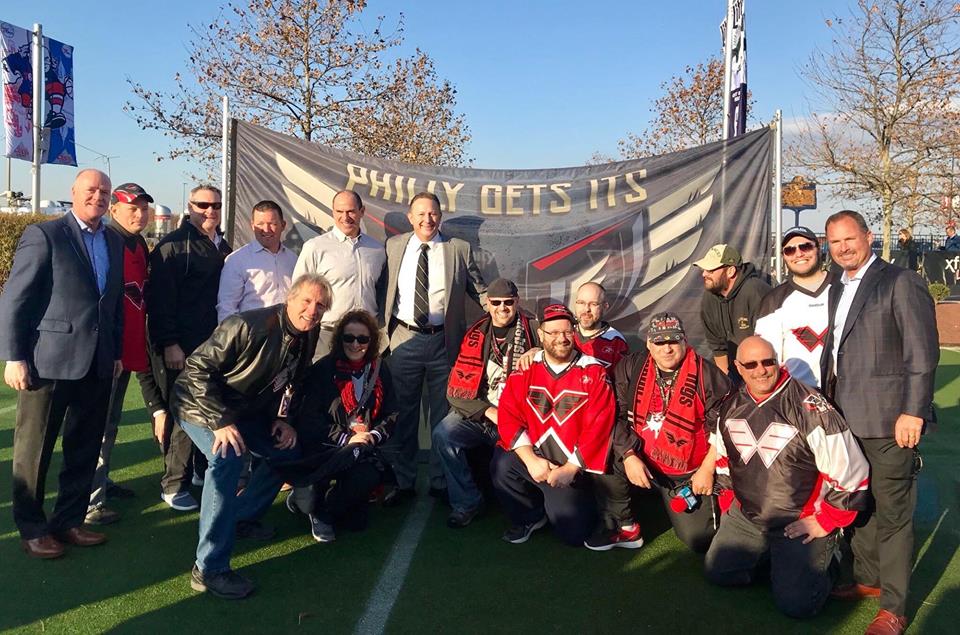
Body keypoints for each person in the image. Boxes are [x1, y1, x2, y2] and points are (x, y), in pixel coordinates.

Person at [821, 210, 939, 635]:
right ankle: (867, 580)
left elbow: (922, 353)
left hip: (891, 421)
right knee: (861, 505)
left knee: (894, 515)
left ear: (868, 237)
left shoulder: (900, 281)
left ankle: (894, 607)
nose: (843, 248)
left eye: (849, 239)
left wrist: (914, 411)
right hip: (847, 419)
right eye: (834, 242)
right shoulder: (837, 286)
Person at [175, 273, 327, 599]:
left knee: (286, 450)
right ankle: (209, 568)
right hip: (199, 406)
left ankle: (242, 518)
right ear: (290, 298)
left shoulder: (307, 335)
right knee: (226, 457)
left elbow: (293, 382)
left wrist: (283, 420)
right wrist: (220, 421)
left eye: (320, 306)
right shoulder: (246, 325)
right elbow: (195, 370)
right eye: (307, 301)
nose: (312, 310)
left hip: (246, 413)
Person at [0, 169, 124, 559]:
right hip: (47, 364)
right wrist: (13, 356)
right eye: (91, 190)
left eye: (104, 191)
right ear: (73, 193)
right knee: (34, 450)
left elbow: (113, 304)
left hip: (98, 363)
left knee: (84, 446)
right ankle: (32, 528)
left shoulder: (114, 241)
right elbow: (15, 299)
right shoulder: (46, 235)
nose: (98, 196)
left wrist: (115, 352)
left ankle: (69, 521)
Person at [705, 336, 870, 619]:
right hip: (748, 514)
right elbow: (723, 460)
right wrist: (730, 501)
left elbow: (852, 471)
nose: (761, 370)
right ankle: (778, 559)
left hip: (799, 519)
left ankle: (830, 556)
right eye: (751, 364)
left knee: (798, 605)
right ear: (738, 367)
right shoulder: (730, 406)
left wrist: (825, 520)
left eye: (768, 361)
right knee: (719, 571)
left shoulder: (811, 407)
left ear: (778, 361)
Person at [379, 191, 487, 505]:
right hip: (403, 340)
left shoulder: (459, 249)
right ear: (410, 218)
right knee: (403, 414)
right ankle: (404, 481)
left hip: (445, 341)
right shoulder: (393, 247)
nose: (428, 219)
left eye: (433, 214)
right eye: (421, 214)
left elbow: (478, 290)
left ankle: (440, 482)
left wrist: (502, 311)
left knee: (443, 416)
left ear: (440, 216)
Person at [591, 312, 731, 552]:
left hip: (687, 469)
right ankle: (625, 525)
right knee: (602, 449)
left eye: (673, 341)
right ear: (648, 343)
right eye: (659, 342)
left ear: (684, 341)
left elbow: (724, 430)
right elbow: (617, 415)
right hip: (644, 456)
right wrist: (629, 455)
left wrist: (707, 470)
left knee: (699, 540)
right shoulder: (631, 366)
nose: (667, 349)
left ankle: (699, 501)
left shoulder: (708, 375)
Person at [492, 304, 615, 546]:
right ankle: (530, 516)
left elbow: (600, 424)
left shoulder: (593, 371)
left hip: (570, 467)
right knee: (502, 465)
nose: (561, 338)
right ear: (541, 334)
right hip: (537, 458)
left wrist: (570, 469)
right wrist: (530, 460)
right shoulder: (526, 368)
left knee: (574, 535)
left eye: (567, 332)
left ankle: (569, 504)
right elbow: (507, 414)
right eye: (553, 332)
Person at [147, 184, 232, 512]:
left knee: (209, 409)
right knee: (184, 414)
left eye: (216, 206)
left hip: (214, 347)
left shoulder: (221, 245)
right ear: (190, 206)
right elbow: (161, 302)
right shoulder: (172, 247)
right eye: (203, 205)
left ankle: (197, 471)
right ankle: (173, 483)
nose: (210, 211)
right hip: (182, 347)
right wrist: (170, 343)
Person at [281, 310, 398, 543]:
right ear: (339, 339)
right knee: (308, 502)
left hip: (360, 448)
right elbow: (310, 420)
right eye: (349, 338)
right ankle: (307, 502)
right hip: (324, 448)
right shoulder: (323, 370)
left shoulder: (379, 368)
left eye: (363, 339)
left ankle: (326, 510)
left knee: (358, 515)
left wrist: (372, 436)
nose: (355, 344)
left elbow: (391, 414)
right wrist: (346, 438)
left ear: (371, 341)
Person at [434, 278, 539, 528]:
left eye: (508, 302)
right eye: (496, 302)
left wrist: (540, 352)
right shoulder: (475, 334)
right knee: (442, 434)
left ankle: (530, 506)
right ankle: (467, 502)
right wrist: (489, 412)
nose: (502, 307)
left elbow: (564, 352)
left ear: (517, 302)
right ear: (487, 305)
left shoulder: (535, 330)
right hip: (483, 414)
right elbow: (455, 392)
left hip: (521, 417)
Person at [86, 183, 154, 525]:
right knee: (96, 425)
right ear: (114, 210)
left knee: (110, 422)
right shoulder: (105, 241)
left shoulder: (137, 242)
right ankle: (89, 501)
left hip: (125, 350)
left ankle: (101, 482)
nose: (138, 213)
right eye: (131, 207)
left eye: (143, 207)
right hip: (103, 352)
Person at [293, 190, 386, 356]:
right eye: (339, 212)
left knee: (363, 382)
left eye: (350, 211)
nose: (345, 217)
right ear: (333, 212)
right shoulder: (315, 247)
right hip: (327, 335)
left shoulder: (377, 249)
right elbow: (298, 293)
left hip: (365, 337)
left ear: (362, 211)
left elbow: (382, 291)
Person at [754, 227, 832, 389]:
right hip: (801, 398)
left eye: (805, 246)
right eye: (789, 250)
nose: (799, 254)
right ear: (783, 256)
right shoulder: (773, 301)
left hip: (849, 394)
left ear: (818, 248)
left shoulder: (844, 288)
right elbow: (768, 358)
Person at [694, 243, 771, 377]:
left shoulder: (756, 292)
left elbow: (769, 347)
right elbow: (718, 346)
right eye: (704, 269)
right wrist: (727, 383)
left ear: (730, 271)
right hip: (736, 371)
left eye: (710, 270)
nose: (704, 274)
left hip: (762, 370)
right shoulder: (709, 297)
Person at [217, 200, 297, 323]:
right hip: (253, 335)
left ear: (283, 225)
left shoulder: (293, 259)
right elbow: (227, 306)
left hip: (288, 334)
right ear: (252, 225)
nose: (266, 229)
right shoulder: (237, 260)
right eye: (260, 224)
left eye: (272, 223)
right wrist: (232, 338)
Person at [572, 282, 629, 370]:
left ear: (605, 307)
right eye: (581, 303)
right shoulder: (564, 334)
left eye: (593, 304)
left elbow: (621, 382)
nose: (586, 309)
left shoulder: (616, 342)